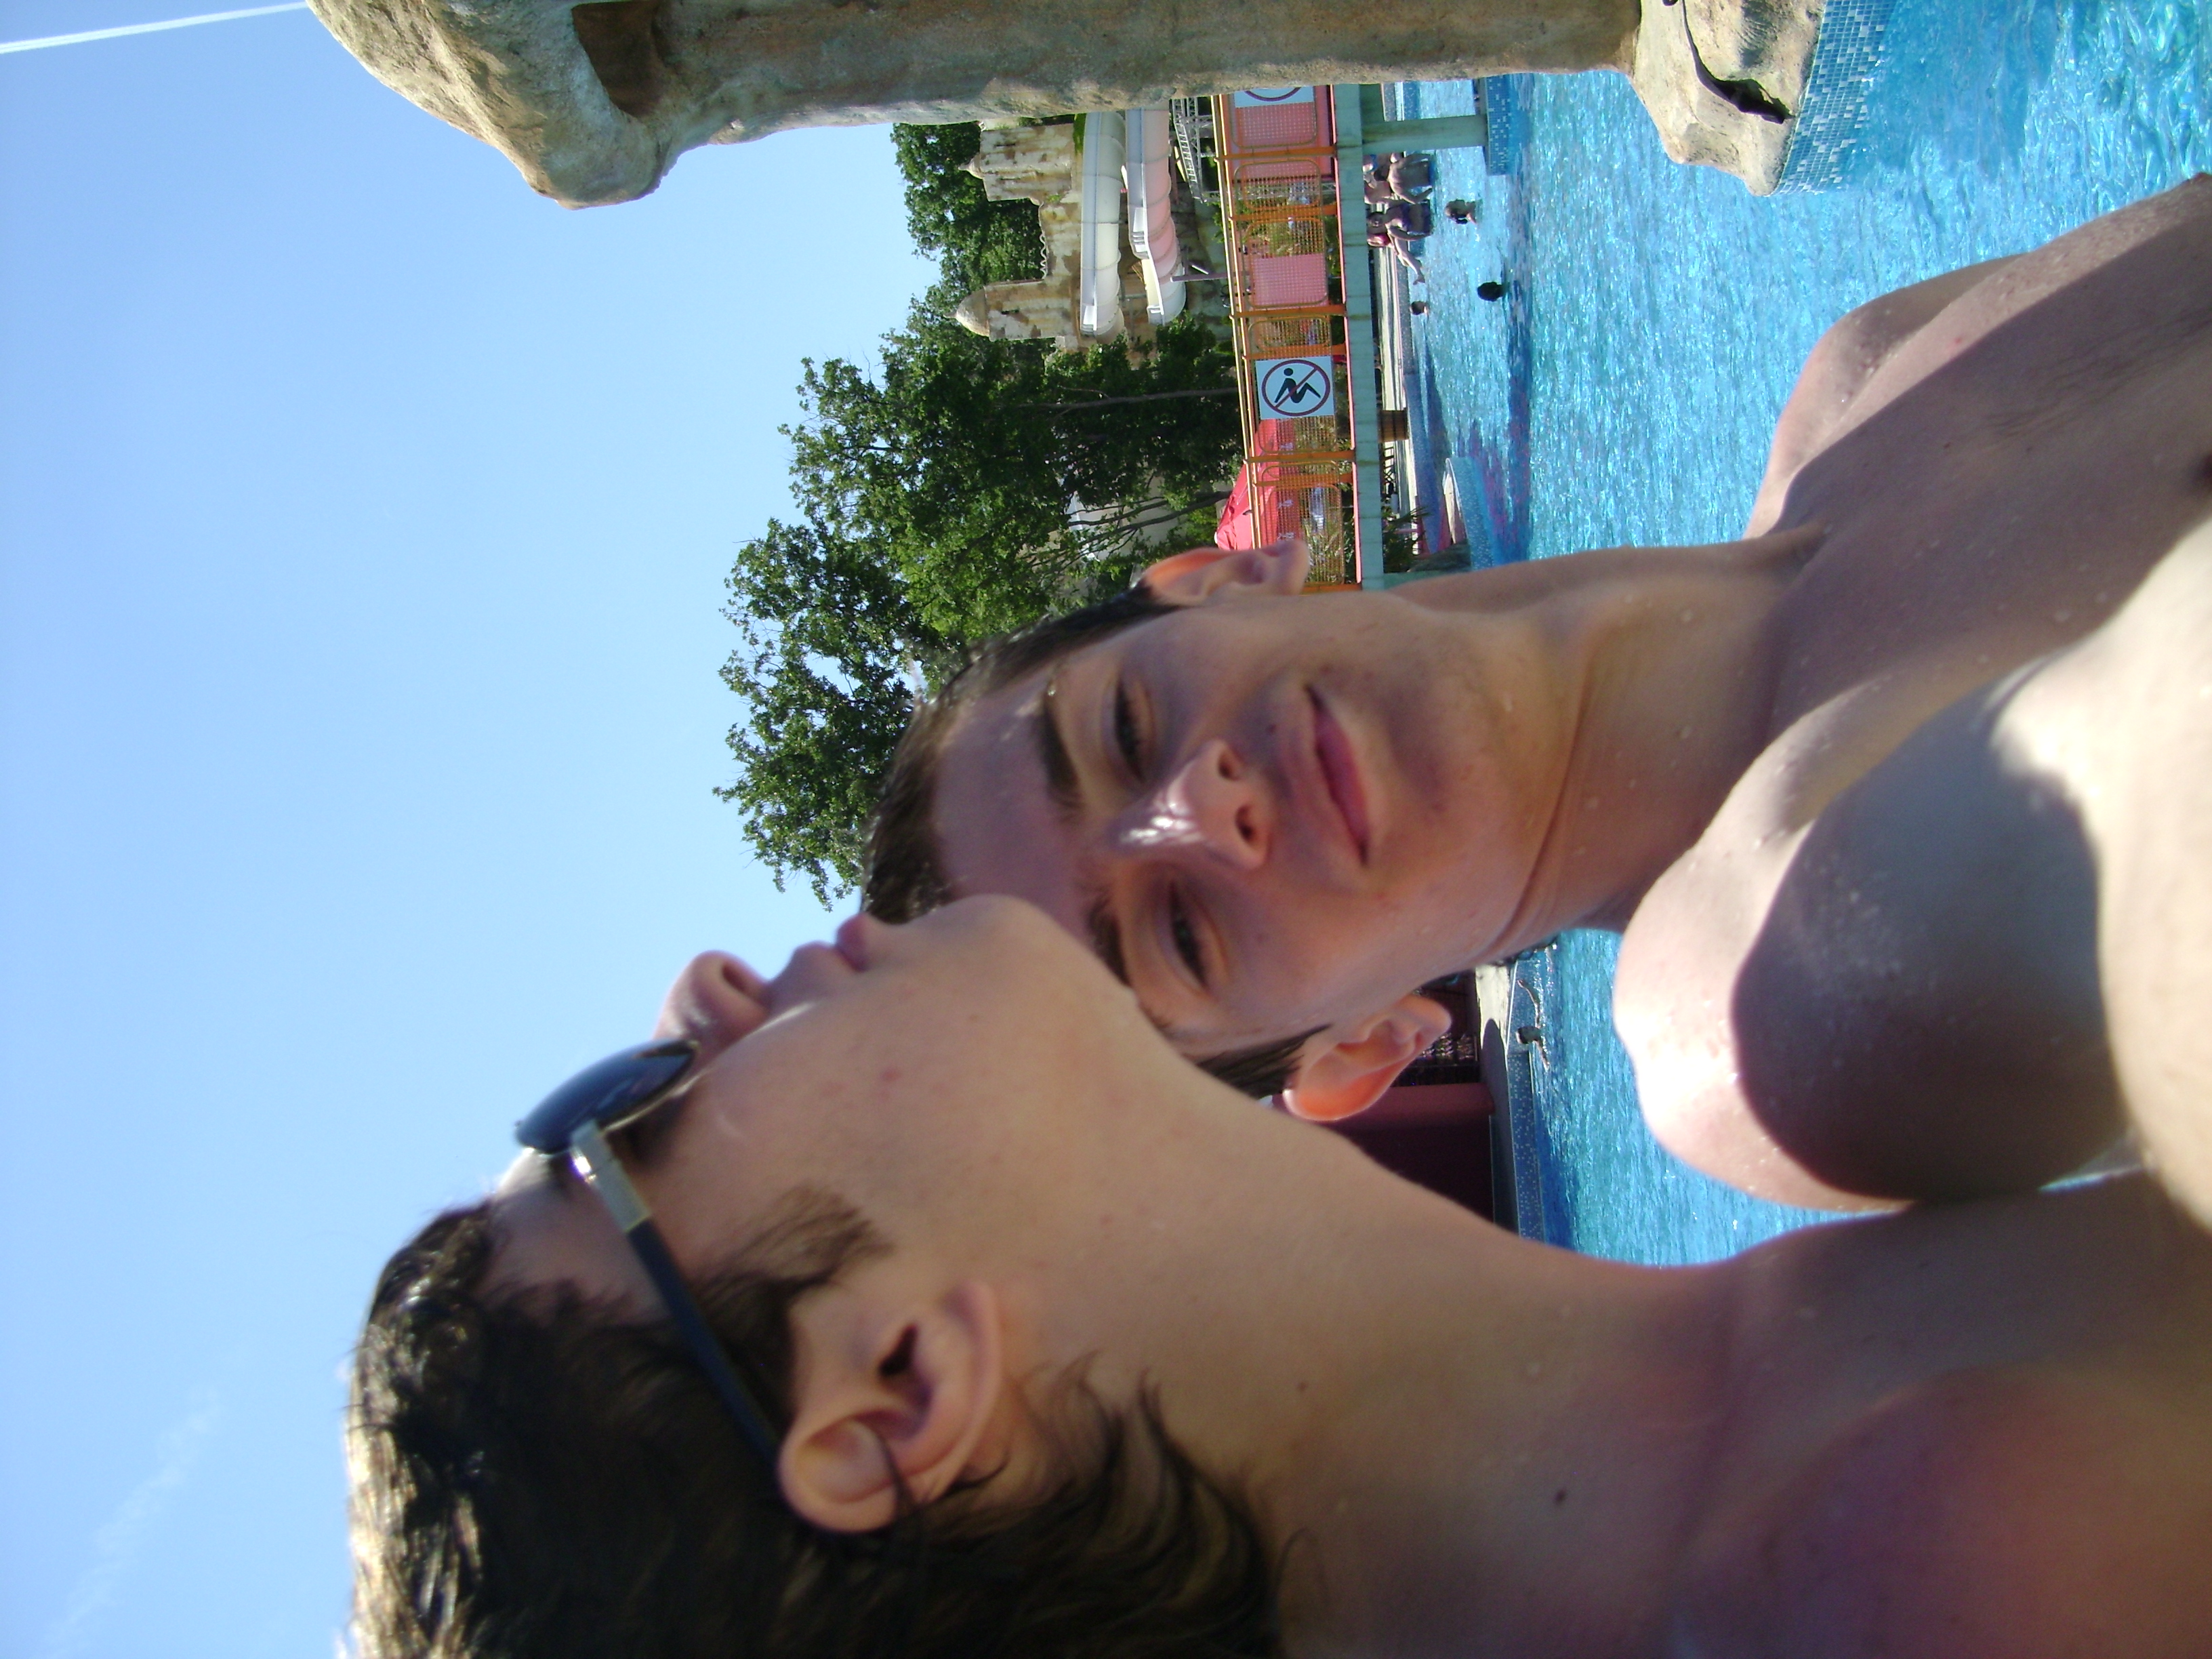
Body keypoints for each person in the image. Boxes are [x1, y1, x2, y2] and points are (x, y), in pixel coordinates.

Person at [350, 898, 2212, 1658]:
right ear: (899, 1389)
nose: (693, 997)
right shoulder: (1935, 1557)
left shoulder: (1791, 1418)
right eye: (625, 1118)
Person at [864, 178, 2212, 1216]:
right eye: (1179, 938)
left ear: (1220, 579)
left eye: (1125, 730)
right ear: (1354, 1054)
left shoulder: (1878, 363)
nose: (1202, 811)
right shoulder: (1759, 994)